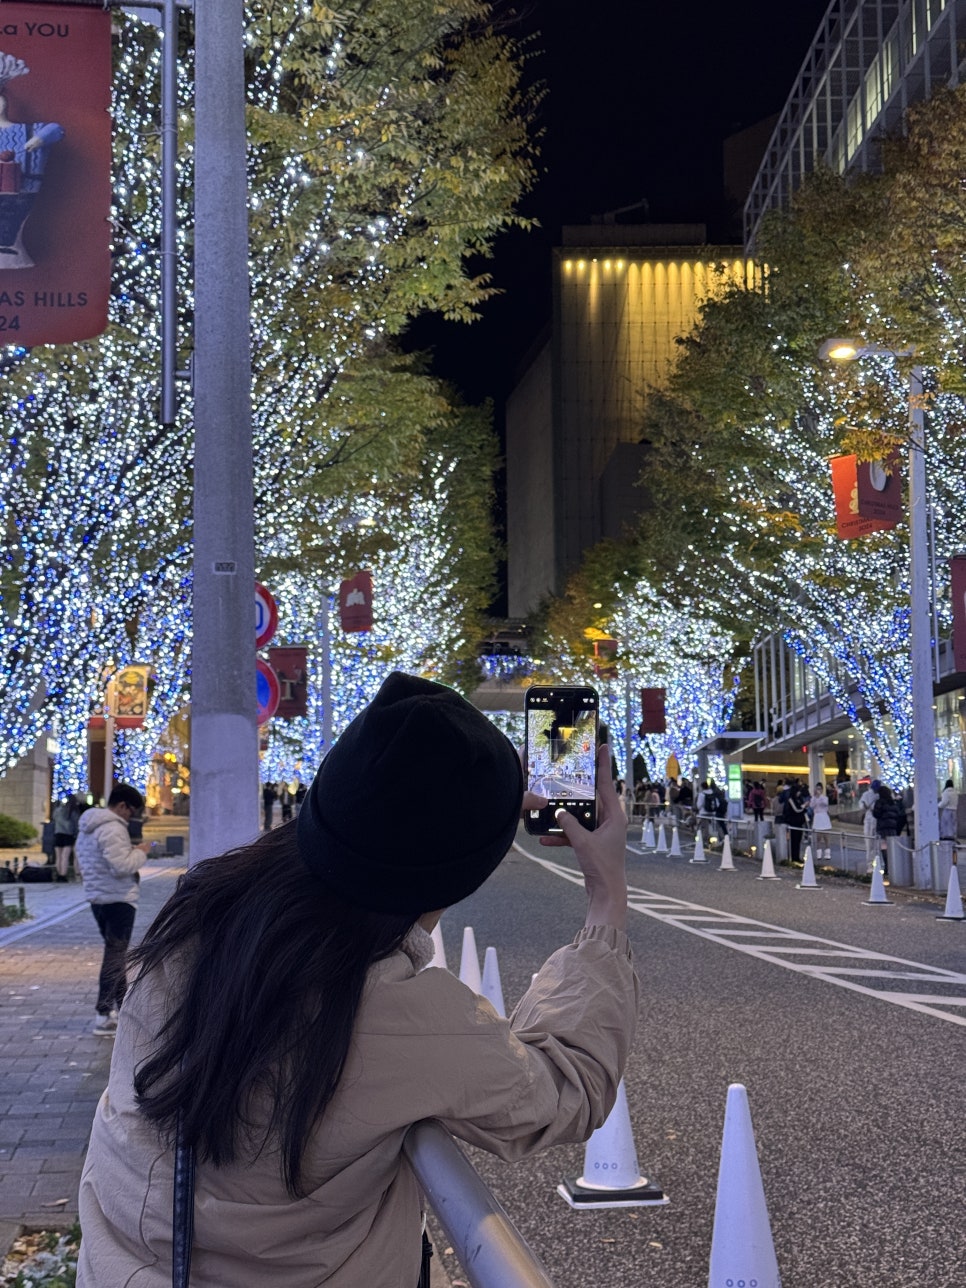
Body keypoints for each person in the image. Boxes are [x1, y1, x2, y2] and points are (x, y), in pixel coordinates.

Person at [77, 673, 638, 1287]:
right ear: (462, 877)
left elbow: (368, 825)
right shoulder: (398, 1015)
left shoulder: (199, 919)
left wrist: (479, 806)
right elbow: (568, 1087)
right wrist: (606, 898)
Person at [74, 783, 151, 1035]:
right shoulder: (113, 828)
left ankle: (122, 1009)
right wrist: (141, 853)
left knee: (115, 954)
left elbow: (83, 863)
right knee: (115, 957)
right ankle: (104, 1013)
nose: (131, 817)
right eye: (132, 811)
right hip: (118, 898)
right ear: (122, 806)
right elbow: (121, 866)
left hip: (97, 897)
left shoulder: (88, 827)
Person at [872, 785, 904, 878]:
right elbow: (898, 814)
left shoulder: (880, 802)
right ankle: (892, 866)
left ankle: (886, 867)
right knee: (891, 848)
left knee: (884, 847)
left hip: (883, 827)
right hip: (892, 828)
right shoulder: (893, 803)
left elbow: (876, 814)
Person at [51, 794, 80, 882]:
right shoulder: (73, 812)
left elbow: (54, 819)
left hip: (58, 834)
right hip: (68, 835)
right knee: (65, 856)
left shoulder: (58, 810)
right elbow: (76, 825)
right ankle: (63, 875)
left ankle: (59, 874)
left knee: (58, 856)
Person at [780, 778, 809, 865]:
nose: (799, 793)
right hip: (793, 822)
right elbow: (796, 809)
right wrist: (804, 806)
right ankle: (793, 857)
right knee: (794, 840)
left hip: (799, 822)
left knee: (798, 840)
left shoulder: (798, 798)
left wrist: (803, 806)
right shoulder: (791, 799)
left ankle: (797, 857)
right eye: (798, 791)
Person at [859, 779, 880, 870]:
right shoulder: (878, 795)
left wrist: (865, 806)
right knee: (875, 844)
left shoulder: (866, 794)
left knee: (869, 844)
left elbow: (861, 805)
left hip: (869, 820)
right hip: (874, 820)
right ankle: (876, 864)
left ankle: (870, 865)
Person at [809, 782, 832, 863]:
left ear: (822, 790)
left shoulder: (825, 798)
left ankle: (827, 853)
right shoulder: (813, 798)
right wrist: (815, 797)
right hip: (817, 817)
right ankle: (819, 853)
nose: (818, 790)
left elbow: (825, 804)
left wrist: (820, 797)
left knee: (826, 836)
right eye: (817, 789)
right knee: (818, 837)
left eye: (819, 789)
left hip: (824, 816)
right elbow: (811, 806)